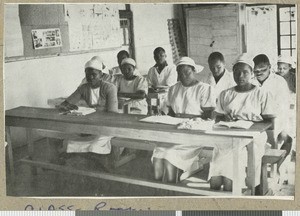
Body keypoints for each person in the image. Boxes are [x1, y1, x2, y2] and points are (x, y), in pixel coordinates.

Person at [210, 53, 276, 192]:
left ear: (252, 73)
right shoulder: (225, 94)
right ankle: (218, 186)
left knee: (233, 166)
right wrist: (224, 119)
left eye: (245, 72)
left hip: (254, 137)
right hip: (229, 134)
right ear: (232, 73)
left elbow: (270, 123)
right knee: (218, 156)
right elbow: (218, 117)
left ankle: (240, 189)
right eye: (237, 72)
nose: (240, 76)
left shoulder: (261, 94)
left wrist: (249, 127)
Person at [152, 57, 216, 183]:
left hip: (194, 132)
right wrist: (163, 116)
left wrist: (188, 120)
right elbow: (170, 112)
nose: (184, 76)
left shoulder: (204, 88)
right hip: (175, 130)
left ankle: (170, 187)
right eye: (180, 73)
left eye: (187, 72)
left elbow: (209, 116)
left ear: (194, 71)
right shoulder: (174, 88)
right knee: (159, 152)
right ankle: (159, 187)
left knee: (170, 154)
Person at [56, 58, 119, 157]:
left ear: (101, 75)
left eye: (94, 74)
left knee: (95, 143)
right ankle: (88, 159)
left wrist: (94, 118)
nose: (91, 78)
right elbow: (66, 103)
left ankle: (94, 161)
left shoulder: (110, 88)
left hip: (107, 125)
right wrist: (65, 107)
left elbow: (112, 114)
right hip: (91, 124)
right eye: (87, 75)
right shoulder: (83, 88)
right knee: (70, 141)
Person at [252, 54, 293, 183]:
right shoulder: (252, 82)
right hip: (257, 121)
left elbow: (284, 108)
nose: (259, 73)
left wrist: (282, 127)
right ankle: (259, 171)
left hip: (278, 119)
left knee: (283, 139)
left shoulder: (279, 82)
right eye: (256, 71)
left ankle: (278, 170)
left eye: (263, 70)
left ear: (270, 67)